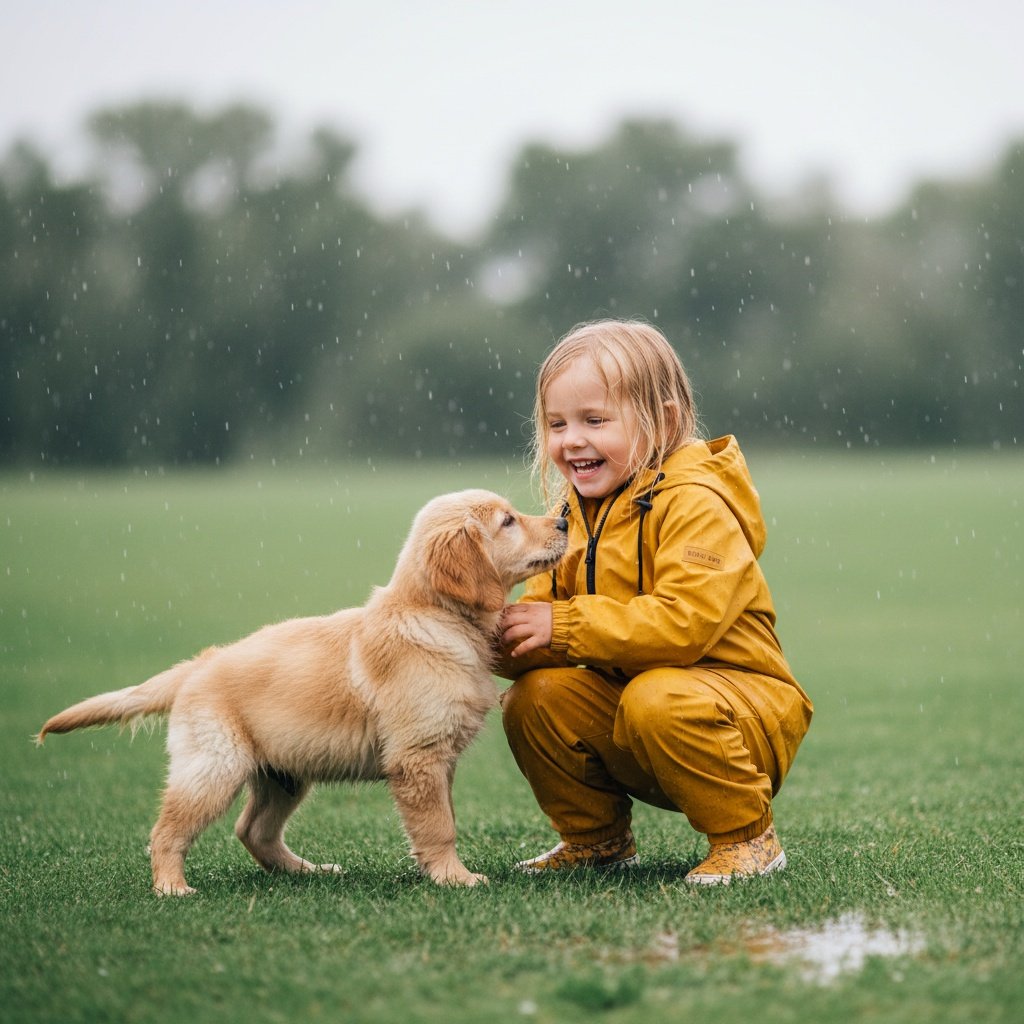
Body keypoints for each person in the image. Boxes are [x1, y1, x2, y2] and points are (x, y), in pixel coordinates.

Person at [497, 319, 813, 884]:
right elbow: (537, 622)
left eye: (595, 420)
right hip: (636, 713)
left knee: (656, 696)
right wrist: (473, 633)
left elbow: (682, 625)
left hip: (738, 715)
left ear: (663, 421)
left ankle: (746, 838)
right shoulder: (576, 513)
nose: (571, 440)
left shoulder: (694, 501)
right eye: (556, 423)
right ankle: (596, 842)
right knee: (534, 697)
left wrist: (560, 624)